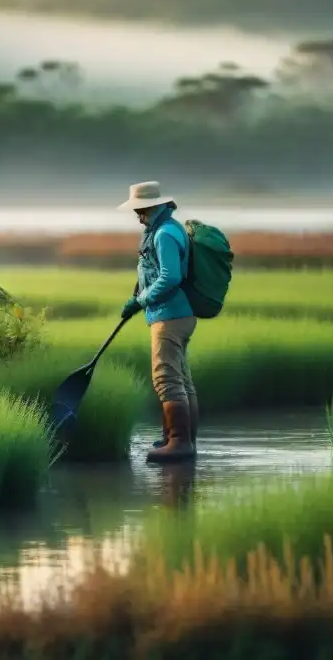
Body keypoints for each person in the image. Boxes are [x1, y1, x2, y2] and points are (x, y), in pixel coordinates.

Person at [118, 181, 198, 462]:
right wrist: (139, 291)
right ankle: (179, 438)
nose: (138, 216)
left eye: (140, 210)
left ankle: (179, 442)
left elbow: (170, 277)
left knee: (166, 379)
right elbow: (154, 270)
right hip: (179, 314)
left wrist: (140, 301)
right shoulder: (169, 227)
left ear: (153, 206)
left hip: (170, 316)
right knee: (182, 379)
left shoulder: (163, 233)